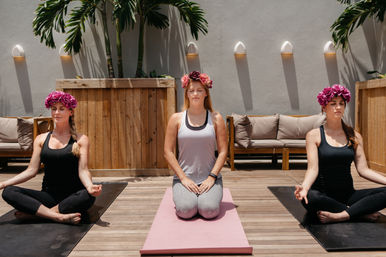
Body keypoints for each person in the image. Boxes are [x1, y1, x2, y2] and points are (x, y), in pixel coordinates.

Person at [0, 91, 102, 224]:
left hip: (73, 196)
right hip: (48, 196)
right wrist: (3, 184)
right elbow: (31, 171)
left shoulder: (81, 139)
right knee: (9, 192)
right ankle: (57, 216)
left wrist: (90, 187)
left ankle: (39, 215)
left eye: (61, 109)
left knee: (88, 196)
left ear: (70, 112)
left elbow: (83, 170)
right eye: (53, 109)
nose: (56, 112)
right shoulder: (41, 139)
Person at [294, 84, 386, 223]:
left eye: (341, 104)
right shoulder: (314, 135)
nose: (338, 107)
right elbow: (313, 169)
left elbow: (363, 170)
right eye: (333, 104)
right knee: (311, 199)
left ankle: (342, 215)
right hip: (323, 195)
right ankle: (358, 213)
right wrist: (304, 188)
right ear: (324, 108)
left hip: (348, 194)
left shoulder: (354, 135)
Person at [164, 71, 227, 219]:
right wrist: (183, 178)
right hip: (184, 178)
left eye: (199, 90)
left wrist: (212, 177)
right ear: (187, 94)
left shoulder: (216, 119)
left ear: (206, 93)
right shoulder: (176, 119)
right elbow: (168, 152)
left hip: (210, 178)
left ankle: (205, 199)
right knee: (186, 211)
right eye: (191, 91)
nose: (195, 94)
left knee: (209, 211)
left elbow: (223, 152)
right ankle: (190, 198)